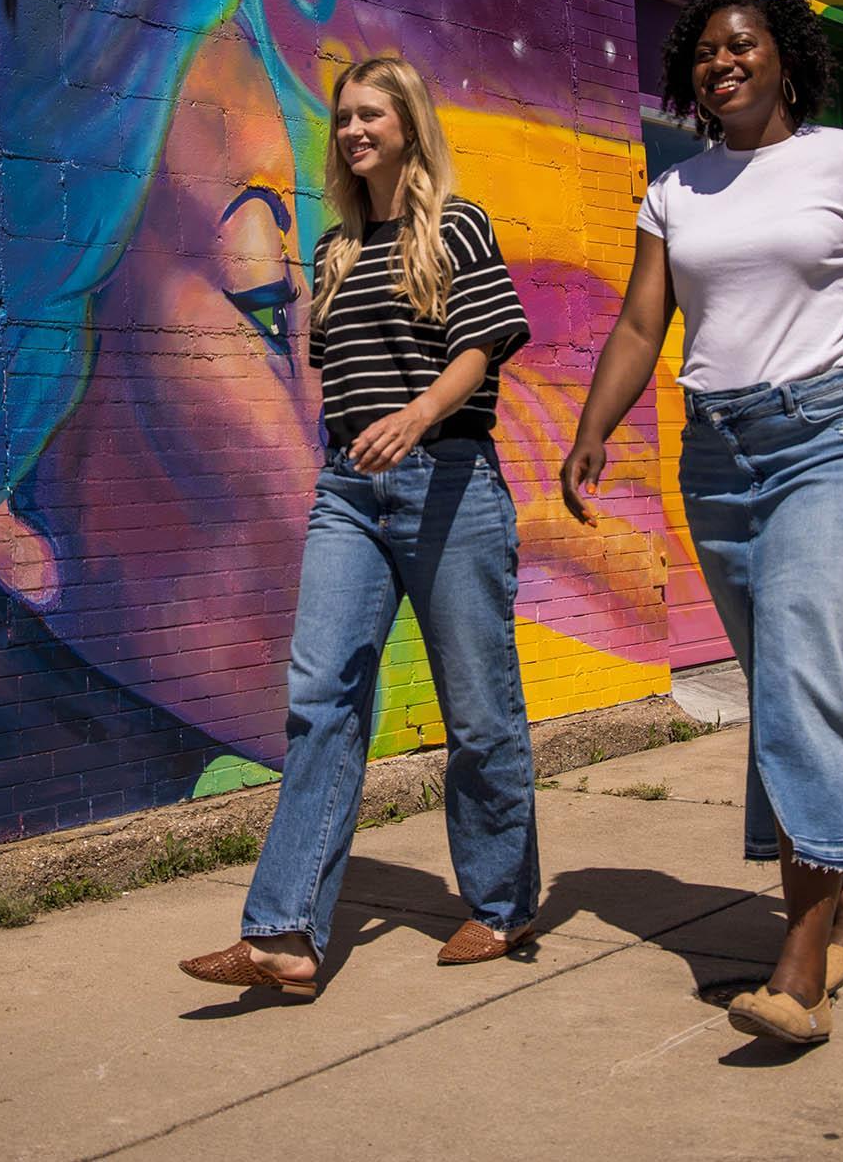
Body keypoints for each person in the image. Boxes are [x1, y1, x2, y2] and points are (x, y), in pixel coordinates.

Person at [563, 0, 843, 1046]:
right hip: (719, 456)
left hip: (830, 440)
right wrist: (593, 428)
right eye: (703, 52)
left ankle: (800, 960)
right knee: (792, 685)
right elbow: (638, 321)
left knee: (795, 669)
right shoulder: (677, 191)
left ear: (785, 60)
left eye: (740, 45)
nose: (721, 62)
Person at [183, 55, 540, 996]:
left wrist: (418, 418)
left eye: (371, 114)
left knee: (478, 707)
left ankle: (501, 904)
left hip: (449, 480)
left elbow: (482, 345)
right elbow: (331, 378)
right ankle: (286, 935)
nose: (352, 130)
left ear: (409, 125)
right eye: (344, 117)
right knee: (321, 697)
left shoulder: (456, 226)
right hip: (349, 493)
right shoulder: (335, 250)